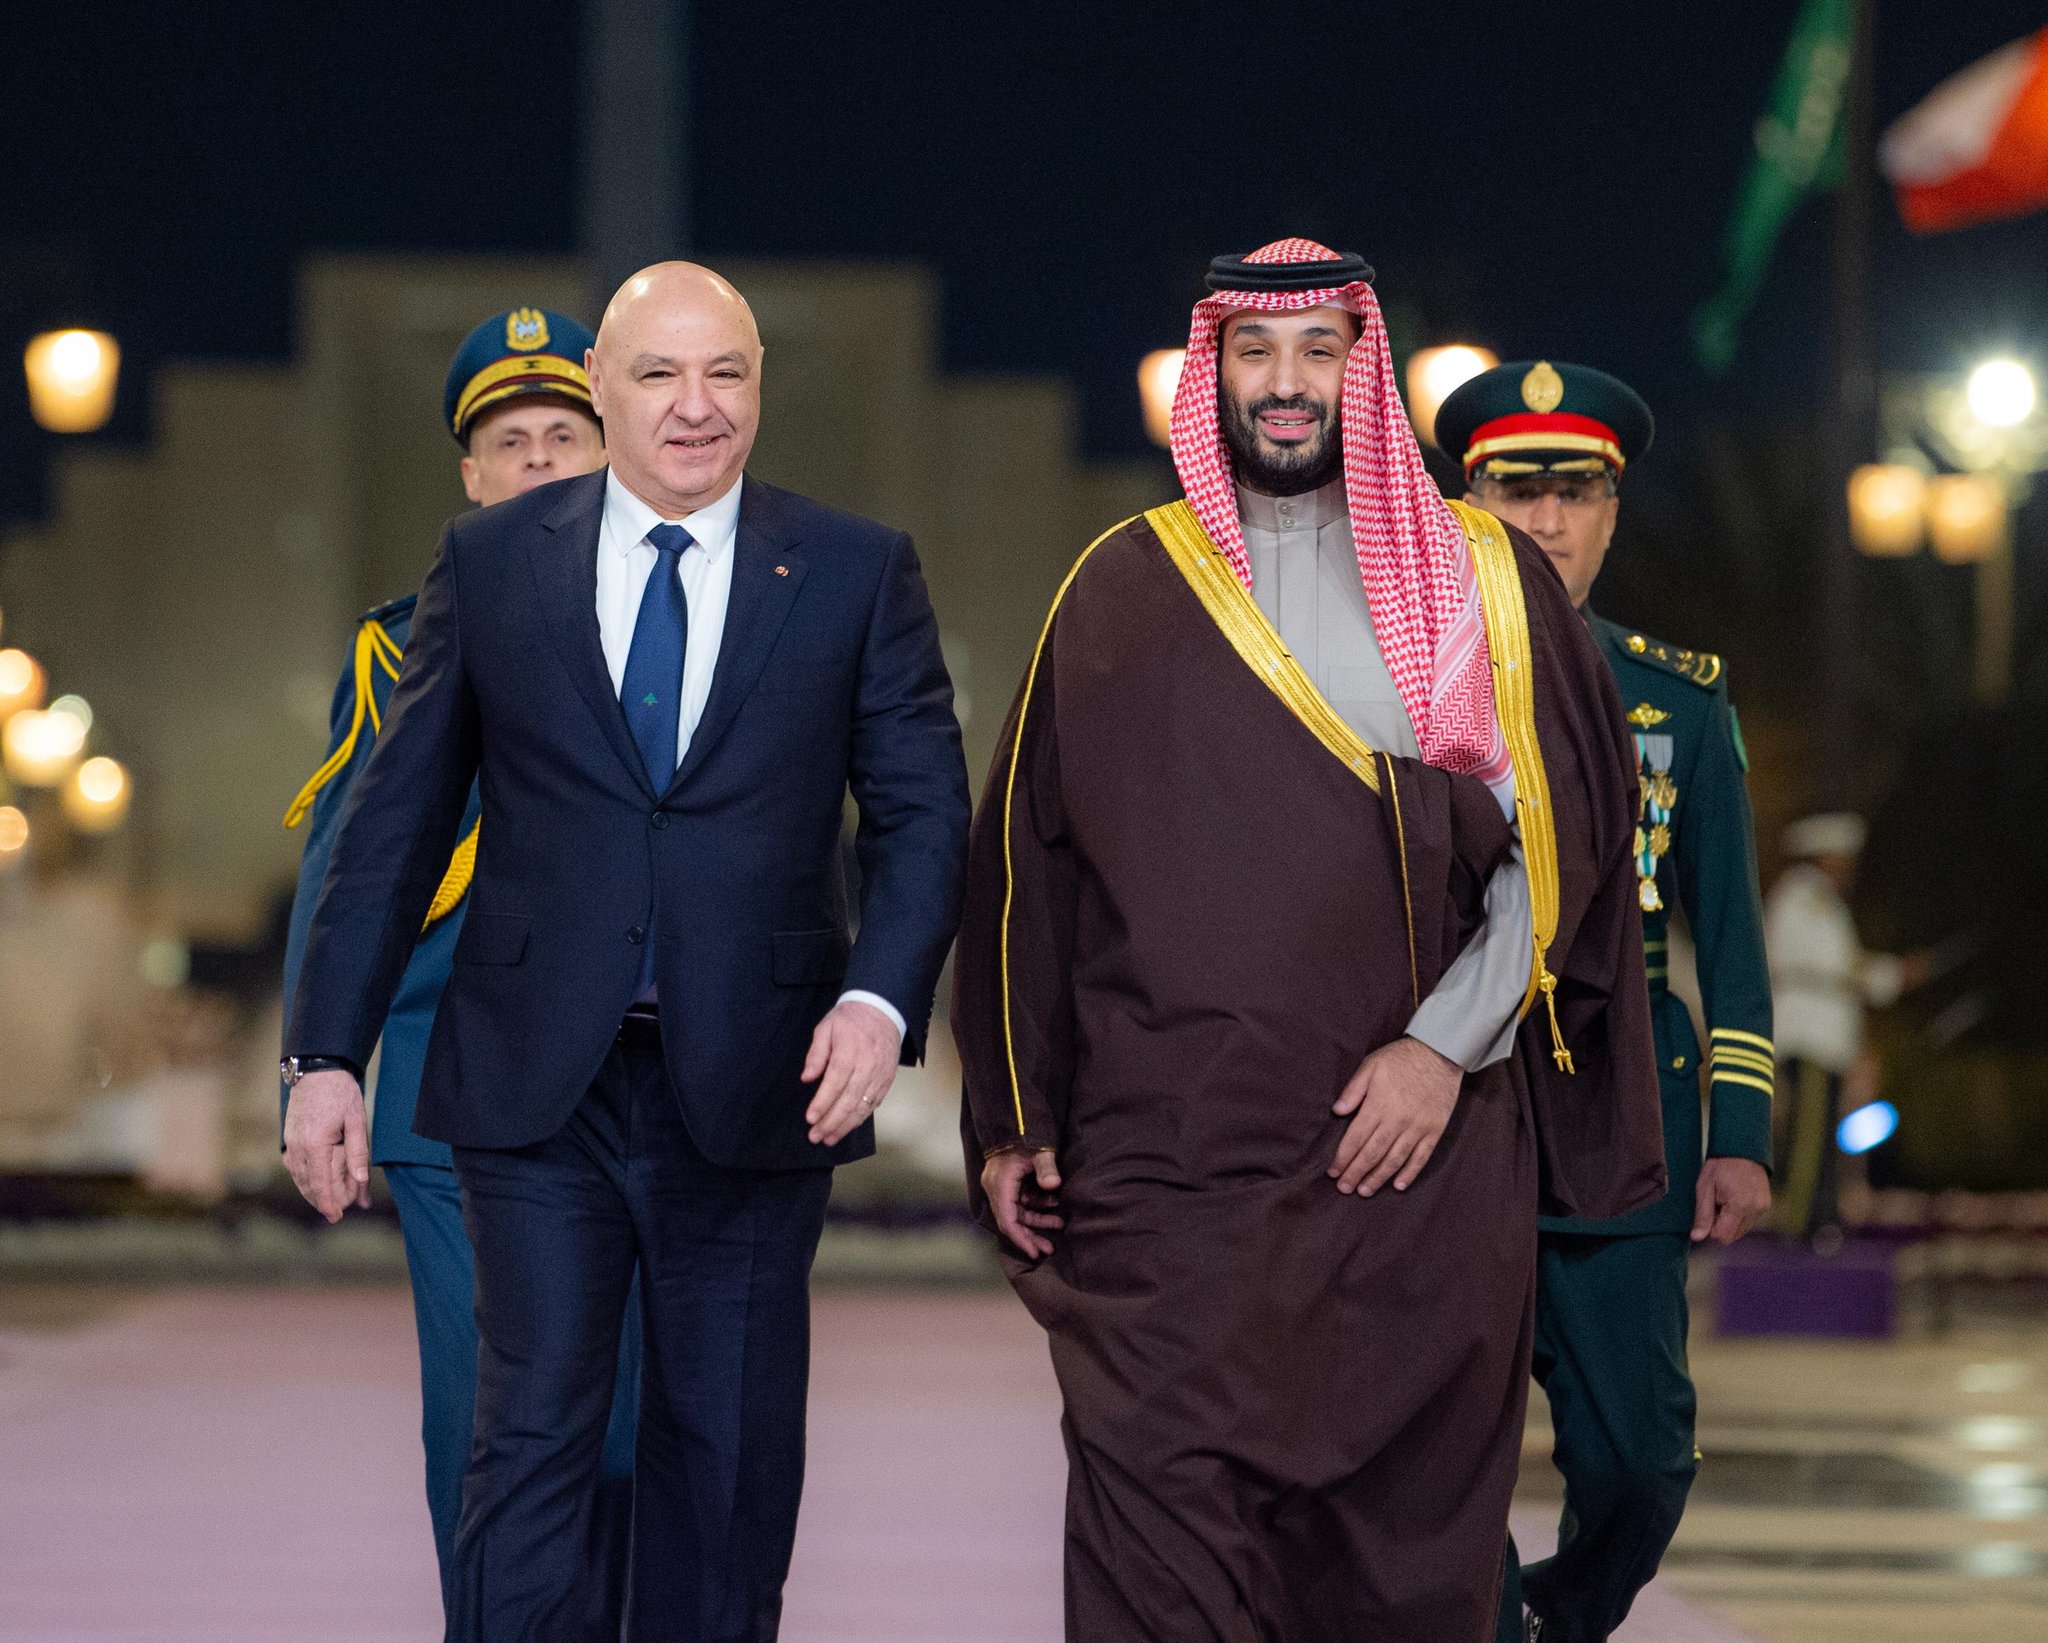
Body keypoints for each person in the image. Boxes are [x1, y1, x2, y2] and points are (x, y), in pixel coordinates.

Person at [955, 240, 1663, 1643]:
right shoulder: (1121, 586)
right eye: (1253, 353)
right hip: (1171, 1181)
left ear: (1366, 370)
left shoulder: (1481, 581)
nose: (1286, 387)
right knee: (1156, 1553)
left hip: (1406, 1173)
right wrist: (1017, 1110)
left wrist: (1439, 1046)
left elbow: (1565, 848)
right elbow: (1027, 868)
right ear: (1210, 371)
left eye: (1318, 353)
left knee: (1393, 1578)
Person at [281, 262, 970, 1641]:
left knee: (726, 1454)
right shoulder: (488, 565)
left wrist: (882, 997)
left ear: (761, 385)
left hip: (758, 1082)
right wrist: (325, 1052)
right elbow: (395, 825)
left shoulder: (851, 568)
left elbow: (921, 812)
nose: (695, 404)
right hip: (538, 1088)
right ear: (606, 389)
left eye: (726, 372)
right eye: (659, 372)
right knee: (527, 1440)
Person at [279, 306, 640, 1632]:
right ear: (472, 476)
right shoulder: (399, 647)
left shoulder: (692, 628)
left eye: (565, 436)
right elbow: (347, 870)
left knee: (627, 1441)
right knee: (498, 1430)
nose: (539, 460)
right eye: (510, 442)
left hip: (650, 1091)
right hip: (458, 1090)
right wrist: (320, 1062)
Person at [1437, 360, 1775, 1643]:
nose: (1544, 521)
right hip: (1449, 1103)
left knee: (1638, 1467)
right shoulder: (1406, 687)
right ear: (1464, 501)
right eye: (1513, 490)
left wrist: (1736, 1134)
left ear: (1612, 510)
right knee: (1427, 1467)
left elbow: (1728, 930)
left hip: (1622, 1108)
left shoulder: (1676, 700)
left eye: (1573, 492)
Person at [1765, 812, 1919, 1239]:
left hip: (1828, 1040)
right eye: (1841, 859)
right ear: (1823, 857)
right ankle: (1799, 1223)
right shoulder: (1800, 896)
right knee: (1809, 1133)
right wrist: (1891, 975)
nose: (1847, 869)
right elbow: (1835, 966)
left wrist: (1890, 976)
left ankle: (1821, 1218)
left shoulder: (1828, 905)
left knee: (1825, 1134)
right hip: (1809, 1037)